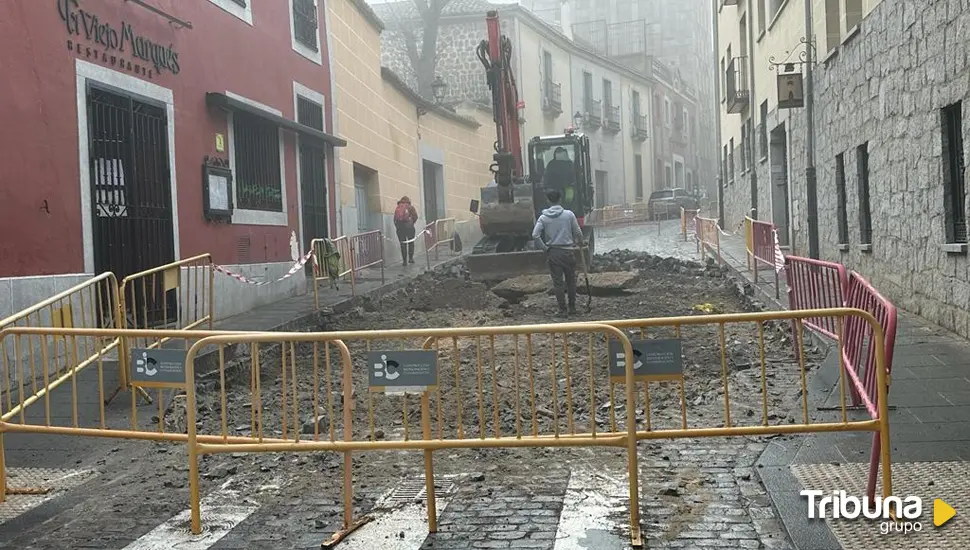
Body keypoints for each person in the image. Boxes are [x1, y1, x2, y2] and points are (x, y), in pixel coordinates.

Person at [532, 189, 584, 317]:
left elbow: (535, 235)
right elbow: (577, 231)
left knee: (558, 283)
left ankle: (562, 310)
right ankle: (572, 308)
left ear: (548, 201)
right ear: (560, 200)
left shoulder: (543, 218)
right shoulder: (569, 215)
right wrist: (580, 242)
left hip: (554, 253)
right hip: (568, 252)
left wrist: (545, 248)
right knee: (571, 282)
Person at [393, 196, 419, 265]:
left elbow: (395, 219)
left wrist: (398, 227)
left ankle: (404, 261)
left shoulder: (398, 207)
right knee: (411, 243)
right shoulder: (410, 207)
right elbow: (416, 217)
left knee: (403, 244)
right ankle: (410, 258)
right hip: (409, 227)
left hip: (400, 228)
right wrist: (411, 223)